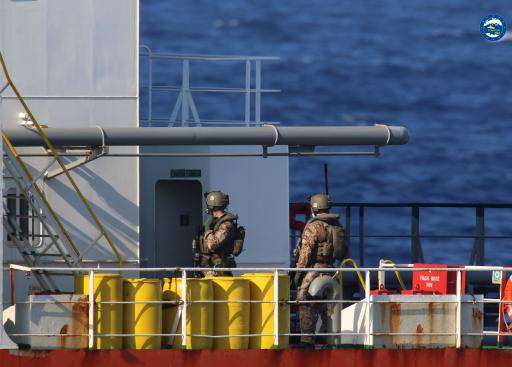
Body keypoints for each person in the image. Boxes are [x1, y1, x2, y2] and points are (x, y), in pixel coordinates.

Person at [294, 193, 348, 345]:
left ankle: (307, 342)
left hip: (313, 272)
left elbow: (305, 254)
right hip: (331, 271)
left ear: (314, 207)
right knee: (329, 309)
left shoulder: (313, 227)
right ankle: (331, 342)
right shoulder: (338, 226)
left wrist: (298, 274)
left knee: (304, 303)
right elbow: (343, 252)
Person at [199, 191, 239, 277]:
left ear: (212, 206)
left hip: (219, 267)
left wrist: (208, 230)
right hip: (208, 266)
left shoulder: (226, 224)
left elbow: (213, 245)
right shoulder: (215, 222)